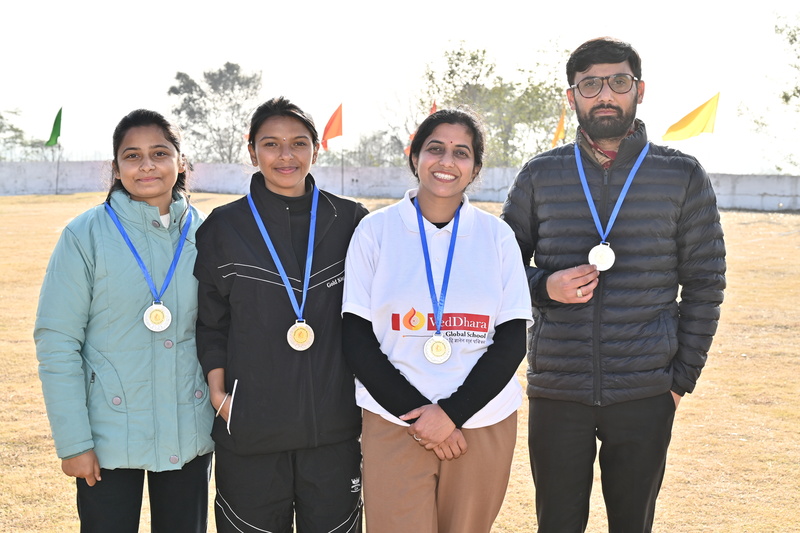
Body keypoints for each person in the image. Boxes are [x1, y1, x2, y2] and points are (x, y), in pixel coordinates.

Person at [501, 37, 727, 532]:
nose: (605, 94)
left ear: (639, 91)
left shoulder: (682, 175)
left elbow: (705, 284)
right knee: (557, 524)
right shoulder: (540, 174)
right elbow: (499, 268)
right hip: (558, 390)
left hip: (646, 391)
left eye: (618, 82)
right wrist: (544, 286)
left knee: (632, 524)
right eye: (590, 84)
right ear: (572, 97)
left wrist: (678, 383)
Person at [342, 107, 533, 533]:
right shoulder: (375, 231)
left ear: (476, 168)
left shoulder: (497, 236)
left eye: (461, 152)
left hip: (481, 420)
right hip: (394, 420)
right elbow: (355, 337)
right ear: (415, 157)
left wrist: (451, 414)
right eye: (435, 149)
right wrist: (420, 416)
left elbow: (512, 341)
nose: (447, 161)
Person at [34, 109, 214, 533]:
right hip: (106, 437)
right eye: (132, 156)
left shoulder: (206, 233)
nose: (146, 165)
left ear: (181, 162)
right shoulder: (84, 235)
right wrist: (74, 443)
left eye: (160, 153)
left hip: (188, 431)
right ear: (116, 168)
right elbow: (57, 341)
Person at [194, 96, 366, 533]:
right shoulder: (223, 227)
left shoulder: (351, 221)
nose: (286, 155)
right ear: (252, 151)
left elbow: (372, 321)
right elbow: (211, 322)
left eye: (299, 143)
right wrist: (220, 395)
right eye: (271, 144)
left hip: (334, 430)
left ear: (316, 150)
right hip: (250, 429)